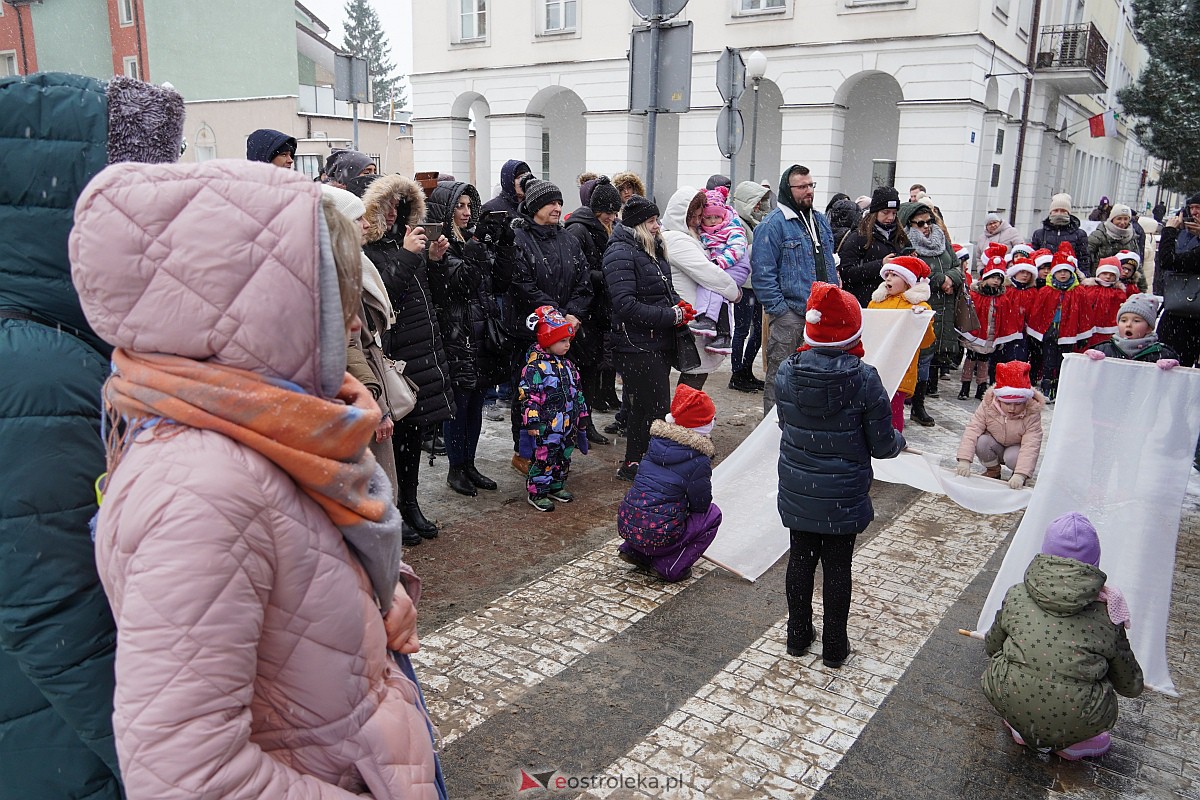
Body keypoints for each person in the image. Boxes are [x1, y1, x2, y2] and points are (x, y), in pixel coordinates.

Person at [70, 160, 439, 798]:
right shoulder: (200, 490)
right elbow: (189, 777)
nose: (354, 327)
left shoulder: (273, 427)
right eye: (339, 303)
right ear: (272, 310)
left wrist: (381, 598)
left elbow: (301, 566)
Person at [0, 71, 185, 800]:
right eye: (150, 195)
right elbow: (59, 621)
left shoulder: (66, 342)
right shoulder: (34, 371)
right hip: (74, 753)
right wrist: (173, 774)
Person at [776, 282, 905, 668]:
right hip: (843, 493)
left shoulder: (787, 371)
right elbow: (882, 445)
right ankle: (835, 645)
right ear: (854, 333)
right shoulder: (865, 379)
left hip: (799, 485)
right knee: (837, 565)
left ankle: (797, 636)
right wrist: (899, 441)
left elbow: (785, 424)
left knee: (799, 558)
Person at [981, 513, 1144, 760]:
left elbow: (992, 646)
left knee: (1010, 668)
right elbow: (1129, 685)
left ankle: (1020, 726)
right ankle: (1073, 743)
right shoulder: (1108, 613)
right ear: (1094, 563)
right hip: (1077, 716)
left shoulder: (1016, 594)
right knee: (1100, 685)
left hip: (1011, 699)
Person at [362, 174, 455, 539]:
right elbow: (385, 299)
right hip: (396, 352)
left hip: (421, 349)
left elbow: (435, 295)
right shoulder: (370, 250)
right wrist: (407, 255)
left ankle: (411, 504)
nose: (391, 213)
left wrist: (433, 260)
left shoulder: (402, 243)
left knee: (414, 435)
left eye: (397, 207)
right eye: (385, 207)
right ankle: (394, 508)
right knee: (393, 441)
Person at [425, 180, 514, 497]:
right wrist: (477, 246)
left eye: (468, 206)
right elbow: (459, 285)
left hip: (480, 335)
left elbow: (499, 282)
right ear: (447, 210)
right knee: (459, 406)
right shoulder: (439, 244)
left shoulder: (473, 241)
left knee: (475, 403)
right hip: (457, 335)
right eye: (459, 206)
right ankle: (455, 469)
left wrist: (504, 244)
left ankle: (470, 464)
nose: (465, 212)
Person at [322, 185, 403, 515]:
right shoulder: (330, 274)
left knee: (379, 493)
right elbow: (353, 341)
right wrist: (375, 400)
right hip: (349, 398)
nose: (367, 224)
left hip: (363, 386)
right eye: (357, 219)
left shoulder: (355, 264)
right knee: (369, 498)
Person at [604, 196, 695, 480]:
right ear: (638, 224)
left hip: (653, 341)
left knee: (644, 407)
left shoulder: (648, 249)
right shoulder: (620, 252)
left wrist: (679, 305)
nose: (658, 226)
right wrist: (672, 316)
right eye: (652, 221)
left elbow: (663, 291)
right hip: (635, 345)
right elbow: (626, 305)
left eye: (657, 220)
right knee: (653, 408)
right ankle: (646, 463)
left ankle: (635, 462)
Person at [507, 178, 593, 473]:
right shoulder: (520, 239)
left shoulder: (568, 239)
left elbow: (584, 283)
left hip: (567, 331)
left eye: (559, 203)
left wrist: (574, 315)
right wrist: (556, 316)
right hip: (531, 331)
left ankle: (557, 450)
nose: (557, 208)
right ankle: (525, 451)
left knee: (563, 393)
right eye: (550, 203)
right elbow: (523, 285)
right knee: (531, 395)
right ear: (535, 207)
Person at [751, 164, 838, 414]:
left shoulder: (820, 220)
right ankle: (774, 431)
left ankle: (805, 429)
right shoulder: (772, 225)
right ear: (788, 190)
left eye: (811, 185)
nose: (808, 191)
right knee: (781, 377)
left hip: (822, 316)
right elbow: (762, 274)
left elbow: (829, 260)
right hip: (791, 314)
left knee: (815, 376)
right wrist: (781, 311)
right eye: (802, 186)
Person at [616, 384, 721, 582]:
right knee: (711, 514)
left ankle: (635, 551)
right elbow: (701, 504)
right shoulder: (698, 459)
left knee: (652, 506)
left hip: (628, 525)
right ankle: (671, 565)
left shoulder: (655, 444)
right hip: (658, 535)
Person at [660, 188, 742, 391]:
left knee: (694, 371)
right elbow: (708, 272)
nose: (698, 221)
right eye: (693, 217)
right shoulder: (676, 239)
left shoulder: (690, 236)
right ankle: (684, 415)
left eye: (699, 216)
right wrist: (734, 292)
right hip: (695, 313)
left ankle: (685, 414)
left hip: (697, 310)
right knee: (694, 372)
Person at [565, 176, 622, 440]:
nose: (612, 217)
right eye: (608, 212)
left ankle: (584, 425)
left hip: (598, 311)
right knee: (580, 373)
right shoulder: (579, 230)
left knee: (590, 371)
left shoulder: (603, 227)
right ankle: (577, 426)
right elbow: (577, 271)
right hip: (583, 312)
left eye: (614, 212)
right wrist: (607, 275)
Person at [518, 306, 589, 512]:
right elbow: (528, 396)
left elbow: (578, 392)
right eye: (562, 341)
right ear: (548, 341)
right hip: (547, 423)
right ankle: (537, 490)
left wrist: (582, 414)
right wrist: (531, 420)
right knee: (545, 456)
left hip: (568, 422)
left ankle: (556, 485)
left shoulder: (569, 366)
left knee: (564, 454)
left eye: (568, 341)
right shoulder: (535, 367)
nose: (567, 345)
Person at [898, 200, 963, 396]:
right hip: (922, 303)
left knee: (938, 347)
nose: (926, 227)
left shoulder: (941, 238)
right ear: (909, 224)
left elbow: (956, 265)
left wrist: (951, 278)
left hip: (945, 301)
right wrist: (939, 279)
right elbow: (911, 273)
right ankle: (913, 393)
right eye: (920, 223)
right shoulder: (906, 243)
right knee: (922, 349)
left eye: (928, 221)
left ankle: (929, 387)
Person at [867, 256, 936, 429]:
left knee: (893, 412)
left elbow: (926, 342)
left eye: (894, 275)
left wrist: (922, 322)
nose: (888, 278)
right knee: (872, 410)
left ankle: (894, 446)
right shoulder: (876, 303)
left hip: (901, 371)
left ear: (908, 281)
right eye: (887, 274)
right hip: (876, 366)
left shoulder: (919, 308)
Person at [954, 361, 1045, 488]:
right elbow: (972, 430)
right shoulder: (988, 406)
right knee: (982, 441)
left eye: (1018, 404)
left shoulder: (1032, 413)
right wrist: (964, 460)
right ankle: (993, 470)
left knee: (1014, 457)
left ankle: (1016, 475)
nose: (1012, 408)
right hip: (994, 443)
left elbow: (1031, 445)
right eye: (1007, 403)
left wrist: (1021, 474)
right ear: (999, 399)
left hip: (1015, 448)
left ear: (1025, 401)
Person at [690, 186, 750, 355]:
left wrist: (719, 262)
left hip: (735, 267)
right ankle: (723, 336)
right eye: (709, 217)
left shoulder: (732, 228)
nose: (714, 221)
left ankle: (708, 319)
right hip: (722, 266)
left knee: (711, 286)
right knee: (720, 294)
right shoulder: (703, 231)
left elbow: (738, 249)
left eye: (717, 216)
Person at [1026, 244, 1088, 400]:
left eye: (1066, 271)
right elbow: (1037, 313)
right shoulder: (1046, 291)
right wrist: (1035, 332)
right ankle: (1046, 388)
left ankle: (1060, 388)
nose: (1062, 275)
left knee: (1063, 362)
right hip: (1049, 331)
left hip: (1068, 333)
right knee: (1048, 361)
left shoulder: (1078, 291)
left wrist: (1083, 335)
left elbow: (1084, 314)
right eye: (1059, 271)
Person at [728, 180, 772, 392]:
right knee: (742, 330)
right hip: (745, 285)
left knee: (757, 330)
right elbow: (742, 252)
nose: (759, 207)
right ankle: (737, 374)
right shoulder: (738, 224)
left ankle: (746, 370)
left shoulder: (755, 222)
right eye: (756, 202)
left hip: (757, 284)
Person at [958, 244, 1010, 400]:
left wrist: (1001, 336)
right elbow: (968, 313)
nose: (995, 281)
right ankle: (965, 386)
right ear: (985, 277)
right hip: (975, 333)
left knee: (984, 361)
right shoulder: (976, 294)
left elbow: (1005, 317)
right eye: (993, 277)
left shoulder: (1001, 297)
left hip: (990, 335)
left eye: (999, 278)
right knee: (971, 358)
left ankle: (981, 387)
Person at [838, 186, 903, 307]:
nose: (890, 217)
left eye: (894, 213)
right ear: (875, 212)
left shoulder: (900, 237)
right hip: (865, 304)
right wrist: (881, 265)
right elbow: (846, 273)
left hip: (893, 306)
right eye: (885, 212)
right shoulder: (858, 236)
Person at [1154, 197, 1200, 366]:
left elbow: (1168, 260)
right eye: (1192, 208)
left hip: (1188, 311)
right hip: (1180, 307)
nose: (1194, 212)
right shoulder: (1186, 234)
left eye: (1198, 207)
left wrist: (1168, 231)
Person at [1085, 294, 1181, 367]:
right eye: (1123, 320)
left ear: (1149, 328)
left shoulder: (1162, 353)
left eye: (1136, 321)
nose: (1128, 324)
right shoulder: (1103, 349)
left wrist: (1172, 371)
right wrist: (1085, 361)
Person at [1031, 193, 1092, 276]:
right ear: (1050, 212)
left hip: (1069, 279)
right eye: (1056, 210)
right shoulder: (1039, 234)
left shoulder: (1079, 234)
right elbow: (1033, 257)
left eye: (1063, 211)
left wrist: (1084, 276)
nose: (1059, 213)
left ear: (1068, 213)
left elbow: (1084, 259)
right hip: (1044, 279)